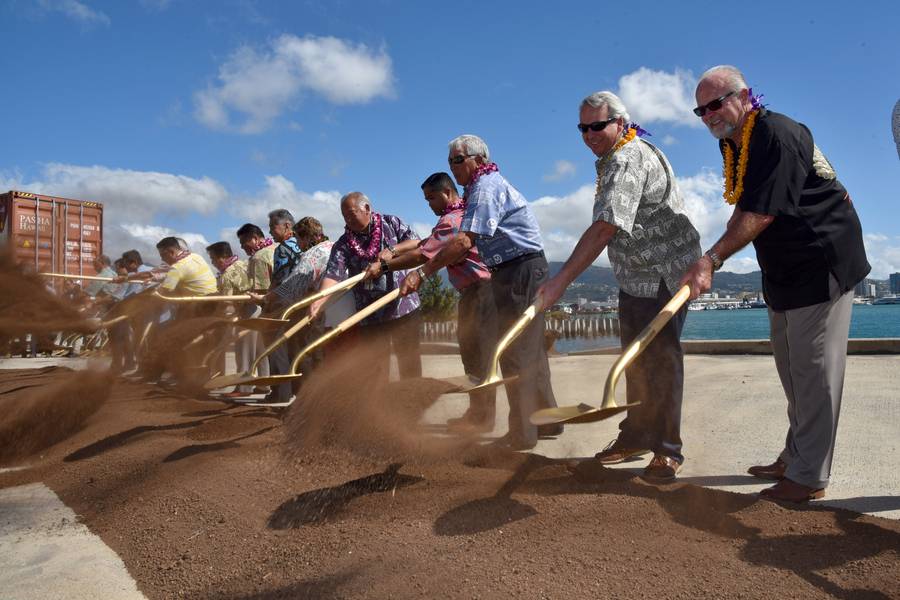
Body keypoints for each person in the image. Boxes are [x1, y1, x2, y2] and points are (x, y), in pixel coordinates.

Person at [680, 65, 870, 502]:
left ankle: (808, 477)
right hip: (783, 268)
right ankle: (795, 454)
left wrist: (711, 259)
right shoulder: (734, 142)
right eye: (700, 109)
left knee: (814, 372)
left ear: (745, 96)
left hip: (821, 260)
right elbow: (745, 205)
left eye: (717, 103)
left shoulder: (777, 134)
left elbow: (762, 213)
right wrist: (713, 259)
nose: (709, 114)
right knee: (791, 368)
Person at [539, 92, 701, 481]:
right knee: (636, 362)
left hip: (666, 274)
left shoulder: (627, 159)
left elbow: (605, 227)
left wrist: (560, 281)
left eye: (598, 125)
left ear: (621, 123)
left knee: (660, 362)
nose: (590, 134)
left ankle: (667, 451)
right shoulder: (616, 157)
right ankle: (636, 436)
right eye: (583, 127)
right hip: (635, 278)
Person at [400, 135, 558, 450]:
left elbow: (463, 241)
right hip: (512, 270)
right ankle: (547, 420)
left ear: (480, 160)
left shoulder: (485, 187)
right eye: (450, 162)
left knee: (515, 353)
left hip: (519, 270)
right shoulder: (478, 189)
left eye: (459, 160)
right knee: (530, 351)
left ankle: (521, 433)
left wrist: (422, 273)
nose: (453, 167)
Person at [371, 172, 497, 433]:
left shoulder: (451, 221)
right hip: (482, 291)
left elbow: (422, 254)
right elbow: (423, 243)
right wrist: (393, 251)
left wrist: (384, 267)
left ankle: (481, 417)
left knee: (477, 358)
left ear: (447, 194)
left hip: (479, 292)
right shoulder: (464, 215)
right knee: (478, 356)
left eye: (431, 198)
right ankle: (480, 414)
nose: (428, 204)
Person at [312, 192, 422, 381]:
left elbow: (418, 243)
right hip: (370, 315)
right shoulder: (344, 243)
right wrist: (319, 300)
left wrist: (393, 250)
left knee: (409, 364)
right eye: (344, 216)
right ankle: (377, 409)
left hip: (403, 306)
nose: (348, 219)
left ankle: (413, 407)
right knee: (375, 369)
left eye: (351, 213)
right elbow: (333, 274)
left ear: (367, 209)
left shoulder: (391, 223)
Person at [257, 209, 304, 404]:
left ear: (287, 226)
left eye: (272, 228)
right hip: (299, 304)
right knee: (295, 349)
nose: (270, 233)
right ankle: (293, 392)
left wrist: (268, 299)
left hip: (281, 304)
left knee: (277, 350)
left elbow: (279, 280)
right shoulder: (302, 246)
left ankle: (280, 393)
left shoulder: (283, 249)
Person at [206, 241, 253, 397]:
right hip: (257, 310)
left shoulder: (226, 275)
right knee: (257, 351)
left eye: (212, 259)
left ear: (221, 258)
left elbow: (226, 302)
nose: (212, 263)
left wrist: (213, 318)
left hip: (242, 313)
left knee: (242, 352)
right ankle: (263, 386)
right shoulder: (243, 264)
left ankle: (243, 388)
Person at [236, 223, 275, 393]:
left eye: (245, 241)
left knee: (246, 345)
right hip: (273, 305)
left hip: (259, 305)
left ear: (256, 238)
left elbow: (261, 288)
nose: (242, 246)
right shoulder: (274, 248)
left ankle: (244, 386)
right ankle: (264, 383)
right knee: (263, 348)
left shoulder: (259, 256)